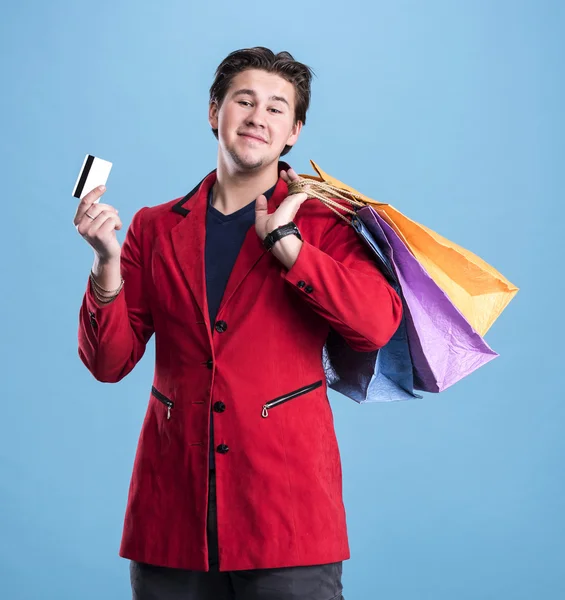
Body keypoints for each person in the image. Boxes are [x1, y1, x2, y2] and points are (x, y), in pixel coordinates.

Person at [74, 46, 403, 600]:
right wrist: (107, 264)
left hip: (288, 515)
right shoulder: (153, 228)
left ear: (294, 132)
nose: (258, 116)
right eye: (243, 100)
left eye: (277, 109)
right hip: (172, 515)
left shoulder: (326, 221)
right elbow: (108, 364)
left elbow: (374, 326)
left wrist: (290, 248)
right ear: (214, 113)